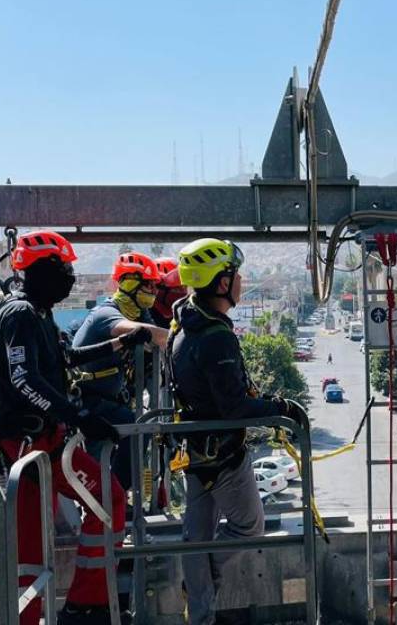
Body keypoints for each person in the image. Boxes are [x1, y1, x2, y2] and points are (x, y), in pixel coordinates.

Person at [0, 230, 151, 625]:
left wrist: (117, 345)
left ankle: (84, 602)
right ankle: (82, 605)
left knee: (103, 501)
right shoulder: (20, 315)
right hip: (30, 445)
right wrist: (80, 418)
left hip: (43, 441)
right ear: (42, 269)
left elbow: (67, 358)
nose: (70, 276)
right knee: (44, 537)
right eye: (63, 268)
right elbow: (24, 379)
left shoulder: (39, 315)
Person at [166, 238, 305, 625]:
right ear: (220, 284)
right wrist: (283, 409)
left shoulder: (184, 325)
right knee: (248, 527)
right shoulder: (214, 336)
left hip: (195, 452)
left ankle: (201, 610)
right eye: (234, 276)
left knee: (198, 536)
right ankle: (200, 577)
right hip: (223, 455)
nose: (240, 282)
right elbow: (235, 407)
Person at [71, 251, 169, 490]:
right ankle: (118, 495)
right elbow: (136, 331)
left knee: (113, 447)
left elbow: (153, 335)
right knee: (137, 429)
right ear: (130, 283)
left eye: (155, 285)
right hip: (88, 401)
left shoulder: (137, 311)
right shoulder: (106, 313)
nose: (153, 291)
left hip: (111, 400)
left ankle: (115, 496)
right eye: (148, 285)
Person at [150, 256, 182, 328]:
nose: (182, 293)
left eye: (183, 287)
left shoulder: (184, 315)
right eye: (176, 289)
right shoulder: (145, 317)